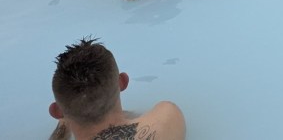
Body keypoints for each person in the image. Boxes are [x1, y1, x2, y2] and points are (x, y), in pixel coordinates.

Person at [48, 37, 186, 140]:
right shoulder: (167, 119)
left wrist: (63, 126)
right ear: (123, 82)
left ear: (56, 111)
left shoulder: (60, 114)